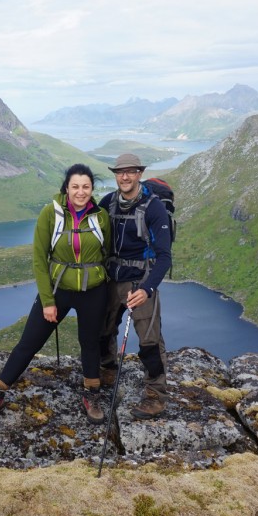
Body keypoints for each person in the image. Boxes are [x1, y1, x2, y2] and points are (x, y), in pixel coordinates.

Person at [0, 163, 112, 424]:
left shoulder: (101, 217)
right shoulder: (51, 213)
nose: (81, 192)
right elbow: (40, 259)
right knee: (30, 342)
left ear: (92, 189)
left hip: (94, 291)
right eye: (75, 186)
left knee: (90, 343)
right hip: (58, 290)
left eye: (86, 187)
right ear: (67, 188)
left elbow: (108, 253)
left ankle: (91, 393)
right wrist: (48, 301)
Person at [99, 153, 172, 419]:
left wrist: (147, 289)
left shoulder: (153, 208)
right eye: (120, 172)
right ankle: (107, 369)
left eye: (131, 171)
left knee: (150, 340)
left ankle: (155, 395)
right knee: (103, 329)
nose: (125, 177)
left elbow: (164, 256)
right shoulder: (107, 203)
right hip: (111, 278)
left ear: (139, 173)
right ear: (115, 175)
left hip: (140, 282)